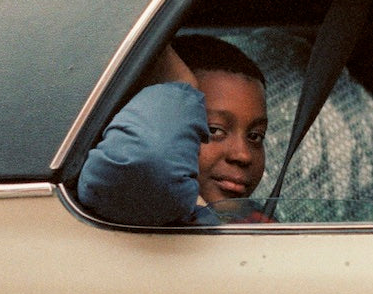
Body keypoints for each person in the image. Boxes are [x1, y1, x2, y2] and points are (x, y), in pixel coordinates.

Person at [77, 35, 269, 225]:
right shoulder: (139, 211)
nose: (243, 155)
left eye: (255, 136)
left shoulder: (257, 224)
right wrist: (180, 83)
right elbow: (148, 161)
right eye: (214, 130)